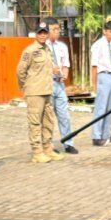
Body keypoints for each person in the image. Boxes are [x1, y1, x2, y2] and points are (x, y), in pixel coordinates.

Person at [17, 25, 64, 164]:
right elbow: (20, 71)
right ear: (36, 35)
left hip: (47, 90)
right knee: (35, 123)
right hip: (35, 92)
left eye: (45, 33)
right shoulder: (30, 51)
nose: (43, 35)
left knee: (48, 121)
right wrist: (26, 86)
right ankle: (37, 152)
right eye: (40, 33)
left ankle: (48, 149)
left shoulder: (47, 50)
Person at [46, 18, 78, 155]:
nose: (57, 32)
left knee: (64, 115)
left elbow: (66, 64)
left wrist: (64, 73)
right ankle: (48, 145)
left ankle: (68, 143)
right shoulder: (42, 47)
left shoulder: (62, 47)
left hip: (59, 85)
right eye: (54, 29)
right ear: (47, 31)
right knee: (48, 117)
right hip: (47, 84)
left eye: (58, 29)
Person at [89, 18, 111, 146]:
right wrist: (94, 84)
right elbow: (94, 66)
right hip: (103, 76)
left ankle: (105, 135)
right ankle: (96, 136)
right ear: (104, 31)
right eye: (109, 31)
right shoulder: (98, 45)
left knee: (109, 108)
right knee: (100, 107)